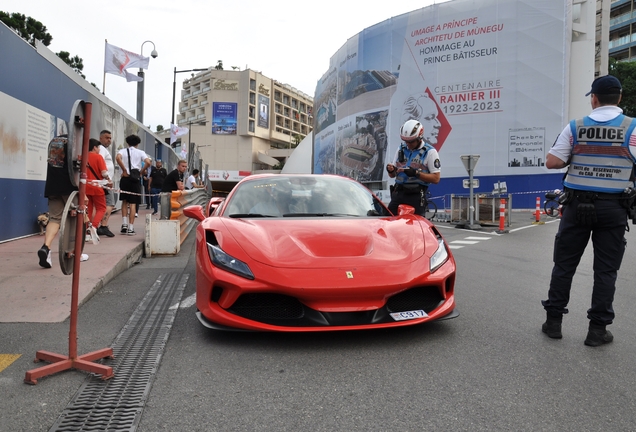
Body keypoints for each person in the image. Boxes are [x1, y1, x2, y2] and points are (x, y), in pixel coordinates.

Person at [541, 75, 636, 347]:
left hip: (576, 207)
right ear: (619, 98)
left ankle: (554, 323)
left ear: (594, 99)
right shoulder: (632, 127)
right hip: (614, 208)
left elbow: (552, 162)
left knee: (564, 265)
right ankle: (597, 331)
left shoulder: (576, 127)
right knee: (606, 271)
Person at [38, 135, 88, 268]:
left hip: (52, 186)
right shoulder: (74, 144)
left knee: (54, 219)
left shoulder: (54, 142)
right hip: (70, 187)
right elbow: (78, 168)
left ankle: (46, 248)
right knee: (77, 217)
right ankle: (77, 252)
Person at [386, 119, 441, 215]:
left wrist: (416, 173)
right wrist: (391, 170)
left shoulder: (430, 152)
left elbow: (436, 178)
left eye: (411, 142)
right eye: (405, 141)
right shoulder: (401, 149)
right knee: (387, 220)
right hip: (398, 193)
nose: (408, 144)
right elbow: (393, 175)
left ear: (419, 138)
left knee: (415, 226)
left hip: (416, 195)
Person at [116, 134, 151, 235]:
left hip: (125, 178)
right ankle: (131, 228)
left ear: (128, 143)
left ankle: (124, 224)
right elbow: (148, 162)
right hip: (135, 179)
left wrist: (124, 169)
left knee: (124, 201)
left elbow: (118, 158)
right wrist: (141, 172)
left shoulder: (122, 151)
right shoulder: (140, 152)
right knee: (133, 204)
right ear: (137, 143)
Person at [85, 138, 111, 243]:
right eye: (98, 147)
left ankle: (87, 232)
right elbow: (104, 173)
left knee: (89, 209)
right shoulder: (98, 157)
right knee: (101, 208)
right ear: (94, 147)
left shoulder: (83, 157)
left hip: (86, 186)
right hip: (97, 186)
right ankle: (94, 227)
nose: (99, 149)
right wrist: (109, 179)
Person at [97, 130, 116, 237]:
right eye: (106, 137)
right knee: (110, 204)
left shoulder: (102, 149)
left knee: (102, 205)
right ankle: (102, 226)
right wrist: (107, 179)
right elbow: (100, 164)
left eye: (110, 138)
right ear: (100, 138)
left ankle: (98, 226)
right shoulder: (101, 149)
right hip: (105, 182)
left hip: (103, 181)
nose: (109, 140)